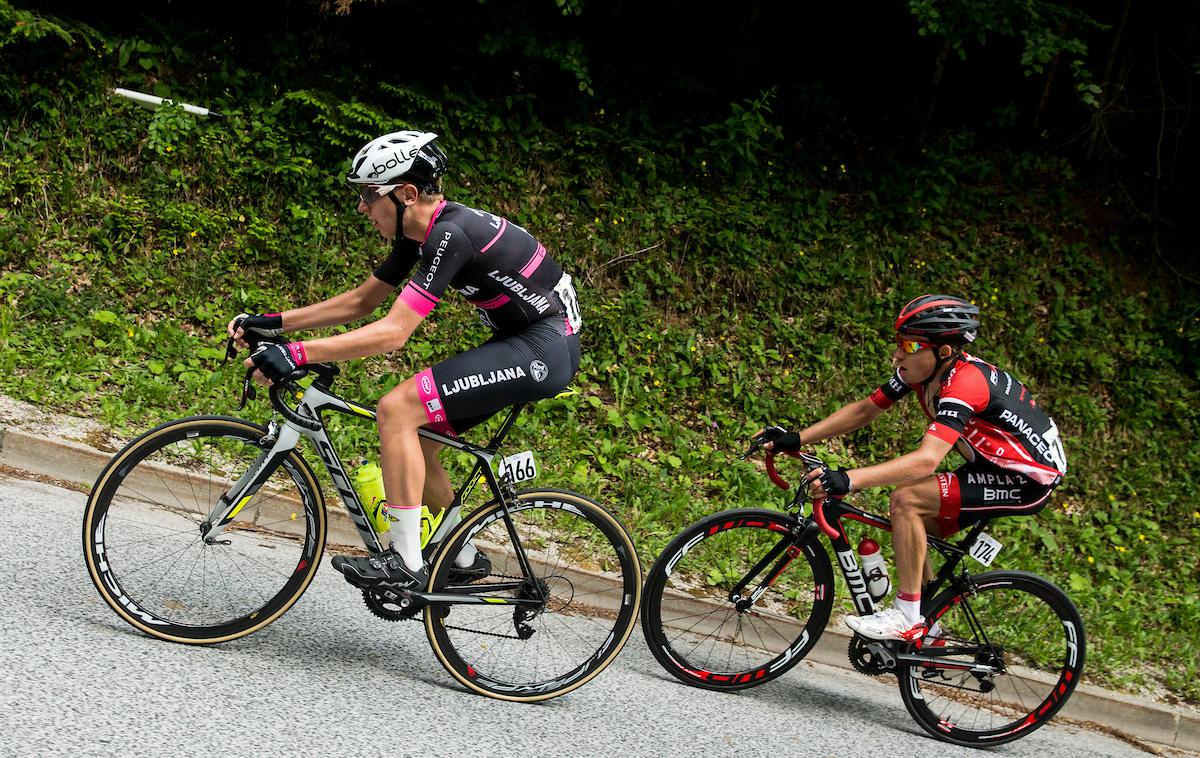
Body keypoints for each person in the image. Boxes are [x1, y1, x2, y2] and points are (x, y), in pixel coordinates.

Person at [228, 130, 582, 592]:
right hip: (525, 340)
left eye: (368, 195)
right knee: (419, 436)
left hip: (544, 347)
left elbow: (394, 333)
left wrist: (297, 353)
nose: (361, 207)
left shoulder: (451, 235)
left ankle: (406, 563)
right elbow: (361, 302)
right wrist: (273, 325)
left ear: (407, 194)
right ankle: (463, 553)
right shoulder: (421, 234)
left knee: (397, 409)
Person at [765, 295, 1067, 641]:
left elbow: (927, 459)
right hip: (991, 465)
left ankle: (907, 618)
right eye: (898, 343)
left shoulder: (964, 383)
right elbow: (866, 410)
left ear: (943, 351)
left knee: (908, 499)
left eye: (909, 345)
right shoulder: (922, 372)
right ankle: (928, 626)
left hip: (1027, 480)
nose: (897, 355)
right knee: (913, 522)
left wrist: (849, 480)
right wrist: (797, 438)